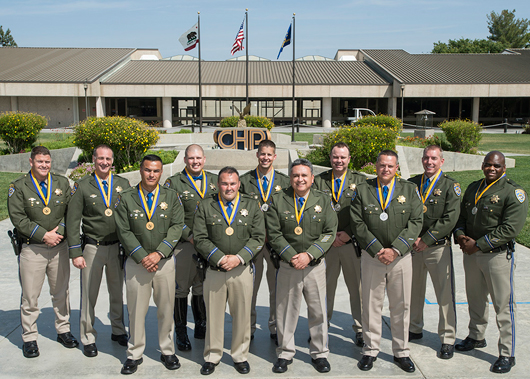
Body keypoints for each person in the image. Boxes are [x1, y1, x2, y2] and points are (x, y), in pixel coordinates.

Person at [454, 151, 528, 374]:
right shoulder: (474, 187)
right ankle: (476, 336)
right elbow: (462, 217)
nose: (491, 168)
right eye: (488, 164)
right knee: (475, 299)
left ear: (504, 167)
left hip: (497, 256)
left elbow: (510, 228)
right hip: (471, 255)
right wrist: (460, 236)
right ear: (483, 165)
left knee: (503, 306)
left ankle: (507, 352)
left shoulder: (513, 193)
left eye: (496, 165)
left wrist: (478, 244)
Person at [350, 150, 422, 373]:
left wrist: (396, 250)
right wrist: (378, 249)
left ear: (397, 168)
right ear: (376, 166)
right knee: (371, 305)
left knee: (401, 305)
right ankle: (370, 350)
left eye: (390, 166)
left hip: (401, 258)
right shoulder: (363, 190)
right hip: (373, 257)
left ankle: (401, 351)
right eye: (382, 165)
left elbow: (416, 222)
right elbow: (357, 222)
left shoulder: (409, 190)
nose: (386, 170)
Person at [266, 158, 337, 374]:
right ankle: (285, 352)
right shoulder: (278, 200)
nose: (300, 179)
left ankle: (319, 353)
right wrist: (292, 256)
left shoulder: (323, 200)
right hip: (288, 266)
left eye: (304, 175)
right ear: (290, 178)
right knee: (286, 311)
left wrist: (309, 255)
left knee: (318, 312)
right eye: (296, 175)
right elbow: (274, 233)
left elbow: (329, 232)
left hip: (314, 266)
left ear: (312, 178)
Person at [114, 155, 185, 375]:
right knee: (136, 310)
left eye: (155, 171)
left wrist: (159, 253)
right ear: (140, 170)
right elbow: (123, 230)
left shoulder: (171, 196)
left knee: (166, 308)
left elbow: (177, 226)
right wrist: (143, 256)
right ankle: (134, 353)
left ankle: (167, 350)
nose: (151, 174)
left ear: (161, 172)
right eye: (147, 170)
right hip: (137, 263)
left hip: (163, 263)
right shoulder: (126, 198)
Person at [193, 166, 265, 375]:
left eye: (233, 183)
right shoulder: (206, 205)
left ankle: (239, 355)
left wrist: (238, 258)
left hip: (241, 270)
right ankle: (212, 355)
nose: (228, 187)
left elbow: (258, 236)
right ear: (218, 184)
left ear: (239, 184)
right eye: (224, 183)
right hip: (214, 270)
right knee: (214, 315)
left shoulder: (251, 205)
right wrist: (220, 258)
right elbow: (200, 237)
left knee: (242, 315)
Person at [8, 146, 78, 358]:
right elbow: (18, 218)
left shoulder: (61, 182)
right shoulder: (19, 186)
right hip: (33, 249)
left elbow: (71, 211)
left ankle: (63, 330)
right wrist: (43, 235)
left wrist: (61, 232)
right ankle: (29, 337)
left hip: (59, 247)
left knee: (61, 292)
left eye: (47, 162)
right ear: (31, 162)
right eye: (40, 162)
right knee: (30, 296)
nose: (44, 165)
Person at [66, 144, 130, 357]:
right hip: (93, 248)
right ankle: (88, 336)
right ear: (93, 160)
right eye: (100, 158)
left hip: (117, 247)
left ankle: (118, 330)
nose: (104, 162)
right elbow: (73, 221)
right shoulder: (82, 186)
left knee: (116, 292)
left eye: (108, 159)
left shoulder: (123, 184)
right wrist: (75, 252)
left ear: (113, 161)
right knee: (89, 294)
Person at [408, 145, 460, 359]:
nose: (429, 162)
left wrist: (427, 240)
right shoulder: (412, 184)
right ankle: (414, 328)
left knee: (444, 294)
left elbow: (450, 218)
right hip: (413, 247)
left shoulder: (450, 186)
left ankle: (448, 338)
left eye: (434, 158)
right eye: (426, 158)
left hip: (437, 247)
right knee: (413, 291)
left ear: (442, 161)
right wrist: (412, 239)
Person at [164, 144, 217, 351]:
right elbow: (170, 215)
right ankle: (181, 331)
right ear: (185, 160)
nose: (195, 162)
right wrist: (191, 236)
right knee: (181, 289)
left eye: (199, 158)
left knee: (201, 286)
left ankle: (201, 325)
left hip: (209, 244)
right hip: (185, 244)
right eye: (191, 158)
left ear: (204, 159)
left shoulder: (214, 180)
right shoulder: (174, 182)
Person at [314, 142, 366, 347]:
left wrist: (349, 234)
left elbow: (364, 213)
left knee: (357, 289)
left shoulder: (360, 182)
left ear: (349, 159)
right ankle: (321, 327)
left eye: (343, 157)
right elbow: (313, 212)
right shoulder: (319, 181)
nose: (339, 161)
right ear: (330, 158)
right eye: (335, 157)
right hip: (327, 245)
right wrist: (330, 237)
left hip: (351, 244)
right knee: (324, 289)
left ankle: (361, 329)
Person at [239, 139, 290, 343]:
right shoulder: (244, 180)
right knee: (249, 287)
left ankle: (275, 326)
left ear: (274, 156)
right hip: (252, 243)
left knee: (277, 287)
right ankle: (248, 327)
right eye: (262, 154)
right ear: (257, 155)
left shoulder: (285, 182)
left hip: (276, 243)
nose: (265, 157)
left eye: (269, 154)